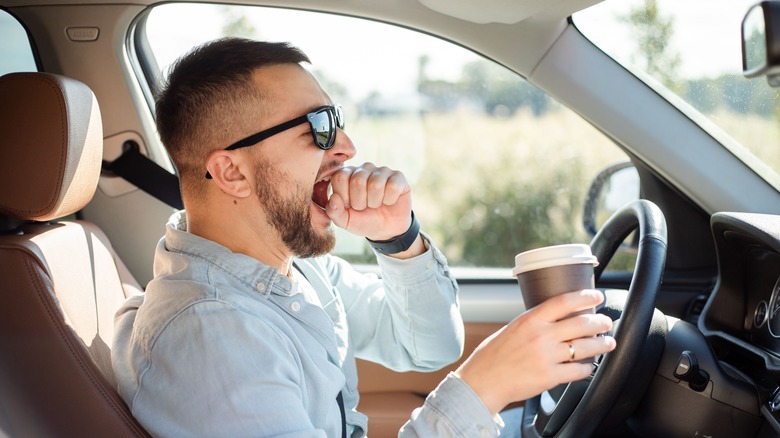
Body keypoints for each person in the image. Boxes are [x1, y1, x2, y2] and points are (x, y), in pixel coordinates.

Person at [112, 37, 615, 438]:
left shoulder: (293, 269)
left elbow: (429, 347)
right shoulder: (212, 336)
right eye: (319, 127)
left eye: (339, 121)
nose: (347, 147)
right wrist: (483, 389)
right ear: (232, 173)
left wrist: (399, 241)